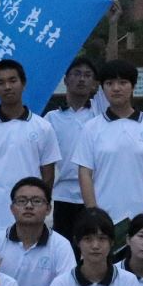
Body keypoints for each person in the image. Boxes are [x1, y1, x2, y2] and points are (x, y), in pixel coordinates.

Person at [74, 59, 143, 251]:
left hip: (142, 216)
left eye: (123, 82)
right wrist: (93, 213)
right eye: (109, 83)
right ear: (102, 87)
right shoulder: (92, 128)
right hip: (104, 216)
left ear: (133, 86)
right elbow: (84, 173)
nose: (116, 88)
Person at [0, 59, 59, 233]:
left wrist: (39, 204)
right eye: (0, 83)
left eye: (12, 81)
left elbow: (48, 174)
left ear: (23, 84)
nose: (7, 87)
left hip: (29, 214)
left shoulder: (43, 127)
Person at [44, 56, 106, 240]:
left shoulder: (101, 114)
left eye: (87, 75)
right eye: (76, 74)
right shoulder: (51, 119)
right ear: (65, 80)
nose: (82, 79)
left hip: (97, 194)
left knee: (95, 244)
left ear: (94, 83)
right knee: (65, 245)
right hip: (64, 196)